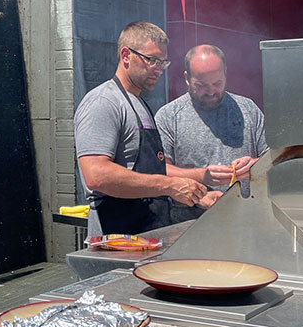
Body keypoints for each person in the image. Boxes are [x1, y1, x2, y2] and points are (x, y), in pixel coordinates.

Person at [74, 21, 209, 236]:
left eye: (163, 62)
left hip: (147, 235)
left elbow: (148, 172)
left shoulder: (140, 104)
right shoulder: (103, 102)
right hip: (115, 239)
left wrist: (196, 193)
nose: (159, 69)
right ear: (126, 55)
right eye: (152, 60)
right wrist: (168, 185)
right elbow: (96, 175)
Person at [154, 44, 269, 223]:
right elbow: (160, 172)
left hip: (247, 219)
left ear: (225, 74)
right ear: (187, 78)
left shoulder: (248, 109)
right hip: (187, 226)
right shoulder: (169, 116)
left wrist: (253, 165)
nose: (210, 91)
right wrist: (201, 181)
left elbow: (274, 160)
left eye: (217, 83)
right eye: (201, 85)